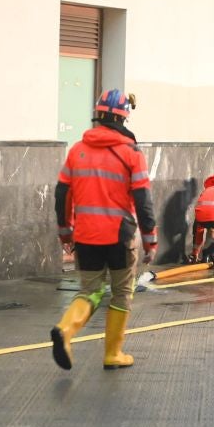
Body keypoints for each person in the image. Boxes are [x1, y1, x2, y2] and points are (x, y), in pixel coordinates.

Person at [51, 88, 157, 371]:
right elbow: (143, 199)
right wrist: (150, 239)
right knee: (122, 292)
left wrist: (65, 231)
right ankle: (113, 353)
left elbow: (62, 193)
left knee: (89, 291)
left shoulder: (77, 150)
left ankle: (65, 330)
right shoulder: (132, 154)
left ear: (97, 116)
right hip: (119, 237)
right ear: (125, 119)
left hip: (85, 236)